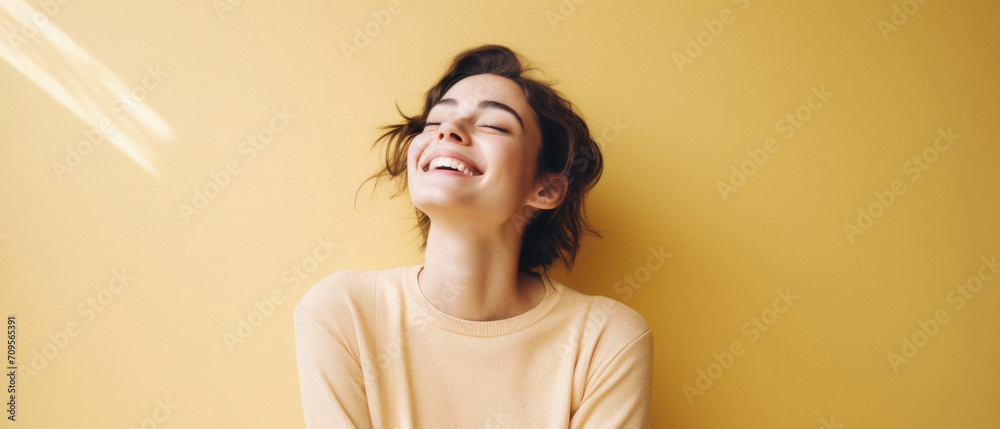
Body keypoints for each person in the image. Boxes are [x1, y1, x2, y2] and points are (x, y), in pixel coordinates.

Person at [294, 44, 653, 428]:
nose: (447, 130)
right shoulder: (343, 312)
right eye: (435, 122)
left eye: (494, 125)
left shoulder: (606, 340)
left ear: (546, 188)